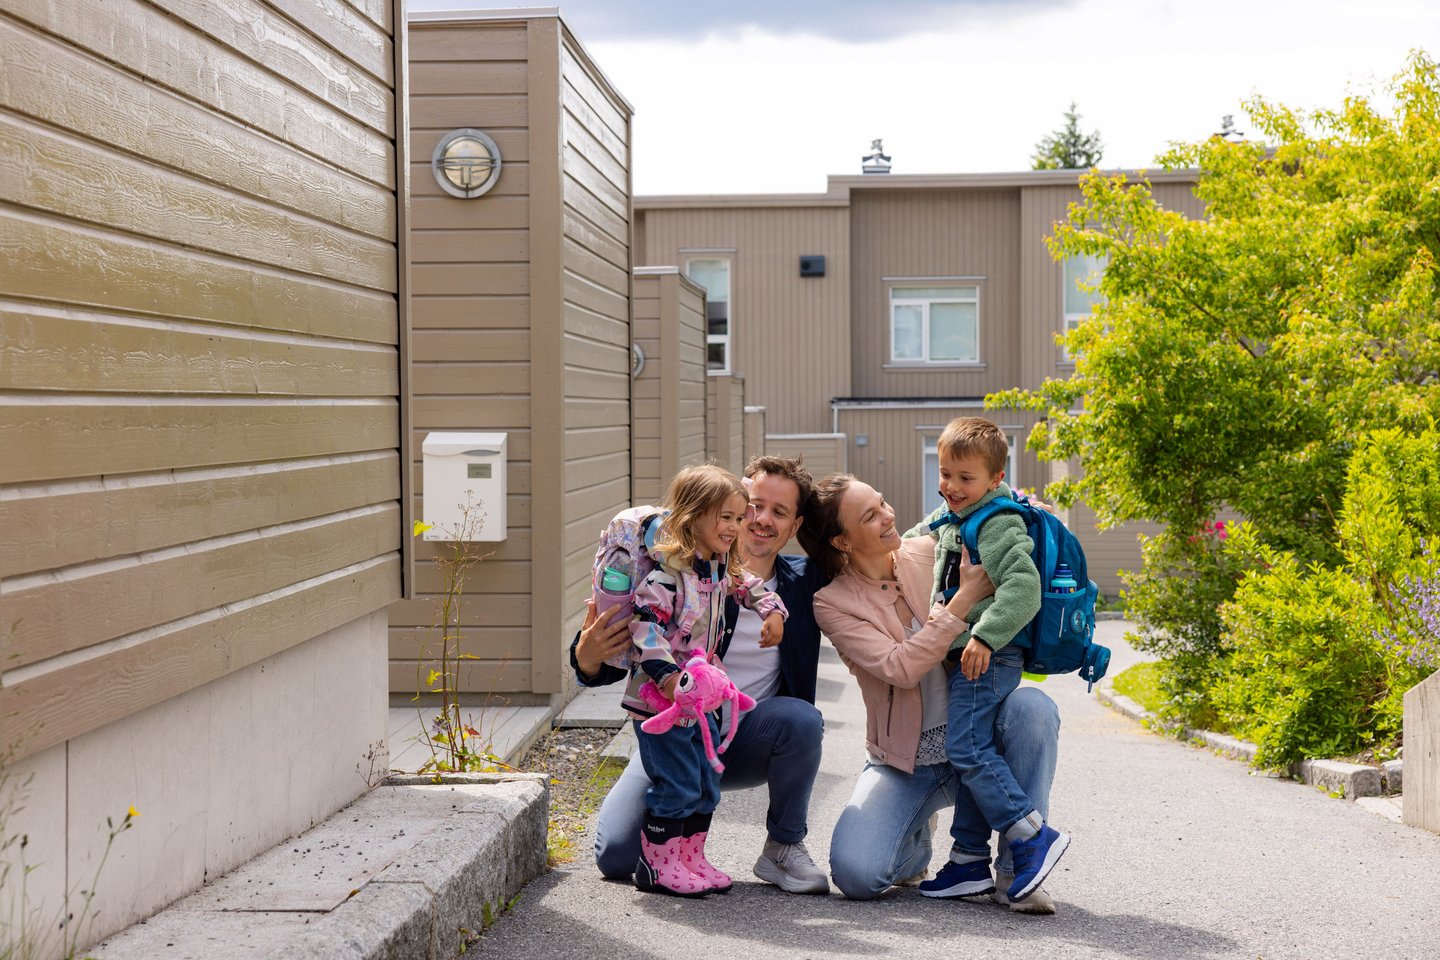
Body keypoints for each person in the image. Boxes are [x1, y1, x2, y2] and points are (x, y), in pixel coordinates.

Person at [800, 473, 1063, 912]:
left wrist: (1026, 519)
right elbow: (899, 668)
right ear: (843, 542)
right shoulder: (833, 603)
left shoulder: (931, 550)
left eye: (883, 501)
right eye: (871, 515)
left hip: (979, 741)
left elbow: (983, 522)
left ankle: (1019, 873)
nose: (888, 515)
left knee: (1033, 707)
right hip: (908, 760)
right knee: (857, 876)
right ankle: (915, 839)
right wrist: (961, 602)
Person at [573, 456, 831, 894]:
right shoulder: (680, 573)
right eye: (750, 507)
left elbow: (869, 569)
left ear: (795, 524)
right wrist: (585, 657)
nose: (758, 520)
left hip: (743, 735)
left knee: (802, 720)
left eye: (779, 512)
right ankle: (664, 862)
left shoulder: (806, 584)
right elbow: (622, 647)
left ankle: (783, 848)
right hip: (673, 721)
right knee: (616, 856)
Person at [901, 416, 1069, 904]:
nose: (951, 486)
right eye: (946, 472)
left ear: (996, 480)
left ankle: (1031, 835)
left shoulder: (996, 522)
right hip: (970, 657)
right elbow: (915, 538)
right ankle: (968, 862)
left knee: (968, 751)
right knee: (976, 749)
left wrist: (987, 638)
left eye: (965, 478)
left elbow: (1024, 588)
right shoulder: (956, 515)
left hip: (986, 657)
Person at [619, 463, 788, 897]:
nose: (736, 527)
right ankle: (657, 866)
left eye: (738, 517)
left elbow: (750, 586)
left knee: (705, 783)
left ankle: (689, 859)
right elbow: (645, 628)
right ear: (693, 517)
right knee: (675, 782)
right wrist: (669, 677)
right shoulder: (667, 574)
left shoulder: (718, 570)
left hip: (704, 701)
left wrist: (773, 612)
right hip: (666, 702)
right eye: (725, 518)